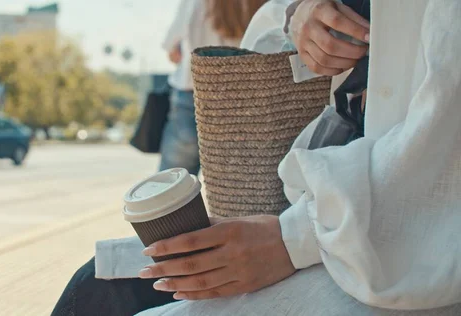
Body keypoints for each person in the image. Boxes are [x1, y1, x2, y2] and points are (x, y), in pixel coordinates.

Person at [53, 0, 461, 315]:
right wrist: (298, 16)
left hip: (399, 240)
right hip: (321, 197)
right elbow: (265, 32)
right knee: (98, 281)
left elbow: (443, 140)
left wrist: (291, 240)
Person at [158, 0, 266, 175]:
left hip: (193, 99)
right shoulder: (264, 5)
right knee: (237, 186)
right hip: (245, 103)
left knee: (172, 186)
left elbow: (173, 52)